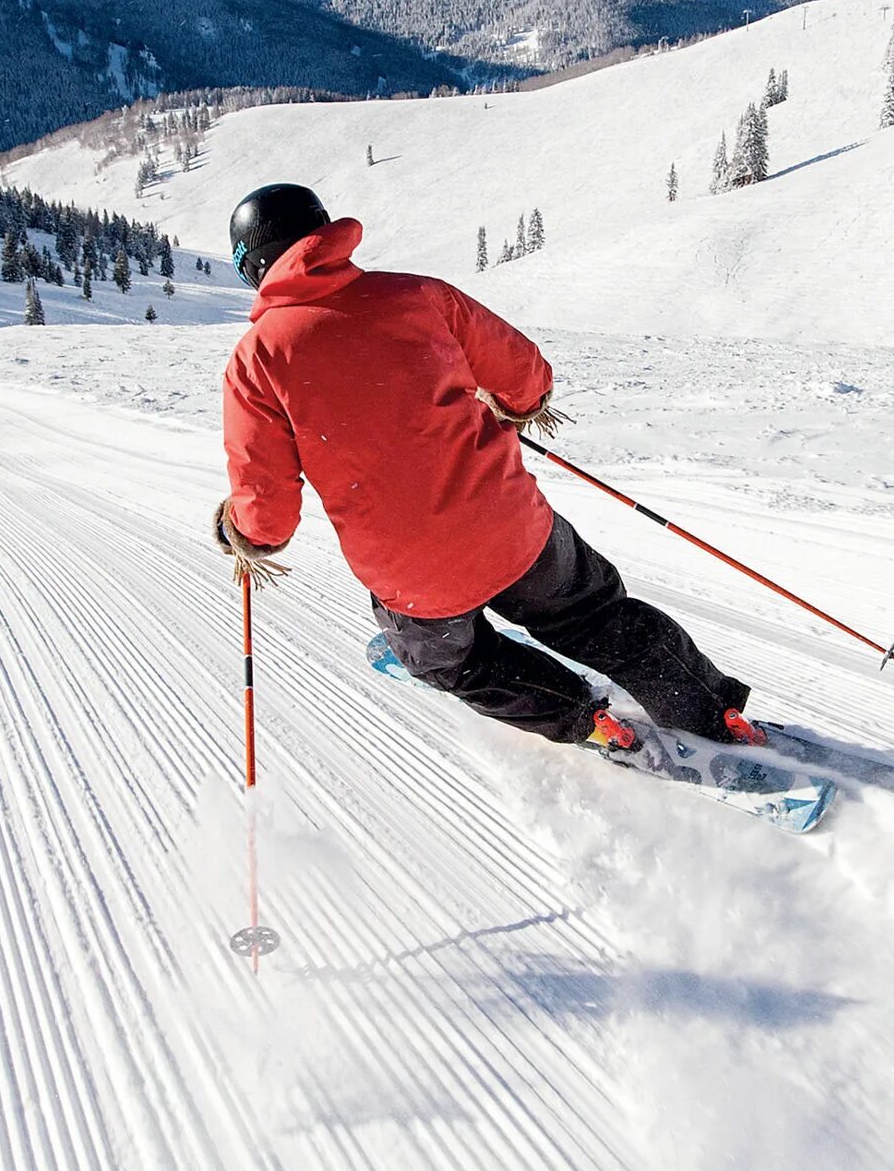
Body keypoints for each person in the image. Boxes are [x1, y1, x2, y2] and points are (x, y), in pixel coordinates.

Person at [213, 182, 763, 751]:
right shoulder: (420, 295)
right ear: (325, 234)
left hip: (413, 575)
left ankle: (584, 718)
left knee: (455, 663)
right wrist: (516, 406)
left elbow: (268, 514)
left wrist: (241, 530)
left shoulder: (257, 360)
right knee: (595, 615)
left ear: (252, 267)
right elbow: (525, 374)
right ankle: (712, 708)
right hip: (512, 527)